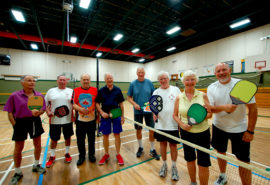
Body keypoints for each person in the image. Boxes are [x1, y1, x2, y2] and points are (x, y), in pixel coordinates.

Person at [207, 63, 258, 185]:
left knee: (243, 161)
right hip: (218, 127)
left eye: (224, 70)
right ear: (215, 74)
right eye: (218, 71)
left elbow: (253, 109)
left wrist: (250, 131)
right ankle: (223, 176)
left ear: (230, 70)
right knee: (220, 153)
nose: (221, 73)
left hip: (239, 129)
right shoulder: (211, 87)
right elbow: (210, 108)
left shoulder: (241, 85)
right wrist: (225, 107)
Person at [4, 75, 46, 185]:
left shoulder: (39, 95)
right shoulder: (14, 96)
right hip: (20, 122)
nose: (32, 82)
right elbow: (9, 112)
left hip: (34, 121)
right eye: (29, 80)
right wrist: (14, 125)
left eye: (33, 81)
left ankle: (36, 165)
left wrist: (39, 113)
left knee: (37, 144)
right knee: (19, 147)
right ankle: (17, 172)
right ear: (22, 83)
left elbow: (43, 109)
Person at [173, 70, 212, 185]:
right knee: (190, 160)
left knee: (203, 163)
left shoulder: (203, 95)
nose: (190, 82)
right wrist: (182, 124)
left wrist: (201, 117)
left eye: (192, 79)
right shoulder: (179, 97)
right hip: (186, 133)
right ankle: (193, 182)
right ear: (183, 82)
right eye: (187, 80)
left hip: (203, 133)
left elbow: (210, 114)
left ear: (196, 81)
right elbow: (174, 115)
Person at [153, 71, 181, 181]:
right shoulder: (156, 92)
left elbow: (180, 105)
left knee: (173, 146)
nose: (163, 80)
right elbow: (153, 107)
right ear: (159, 81)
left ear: (168, 79)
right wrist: (154, 114)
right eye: (161, 79)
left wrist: (179, 121)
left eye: (165, 78)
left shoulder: (176, 90)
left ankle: (174, 167)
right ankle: (164, 165)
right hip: (160, 124)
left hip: (173, 124)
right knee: (162, 145)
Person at [127, 67, 160, 160]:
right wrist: (134, 104)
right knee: (138, 130)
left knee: (151, 130)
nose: (141, 74)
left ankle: (152, 149)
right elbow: (129, 97)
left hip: (149, 111)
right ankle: (140, 147)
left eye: (142, 72)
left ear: (144, 73)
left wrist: (152, 103)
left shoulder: (149, 83)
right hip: (137, 112)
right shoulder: (133, 84)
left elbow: (154, 96)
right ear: (137, 73)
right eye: (139, 72)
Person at [96, 73, 125, 165]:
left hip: (116, 114)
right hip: (105, 114)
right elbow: (97, 103)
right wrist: (101, 113)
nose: (109, 80)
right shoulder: (101, 90)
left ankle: (118, 154)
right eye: (107, 78)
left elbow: (121, 104)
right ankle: (106, 154)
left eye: (111, 78)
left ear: (113, 79)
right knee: (105, 135)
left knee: (117, 134)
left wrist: (122, 116)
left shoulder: (117, 90)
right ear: (105, 80)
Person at [45, 75, 74, 168]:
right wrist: (48, 111)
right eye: (60, 80)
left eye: (64, 80)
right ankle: (52, 156)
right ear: (57, 81)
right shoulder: (51, 91)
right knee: (54, 139)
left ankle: (67, 153)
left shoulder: (71, 91)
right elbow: (45, 104)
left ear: (66, 81)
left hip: (68, 120)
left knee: (68, 137)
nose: (62, 81)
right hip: (54, 120)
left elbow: (75, 104)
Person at [72, 74, 98, 166]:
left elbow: (97, 103)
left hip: (92, 120)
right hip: (80, 121)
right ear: (81, 80)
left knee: (92, 139)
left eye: (87, 79)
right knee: (80, 140)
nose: (86, 81)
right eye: (84, 79)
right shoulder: (76, 90)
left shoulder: (95, 90)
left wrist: (96, 113)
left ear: (90, 80)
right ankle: (81, 156)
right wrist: (80, 109)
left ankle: (91, 155)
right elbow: (73, 104)